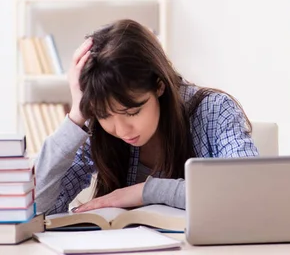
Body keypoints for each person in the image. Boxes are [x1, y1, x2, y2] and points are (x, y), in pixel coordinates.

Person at [35, 19, 259, 215]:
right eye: (105, 115)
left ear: (159, 86)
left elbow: (245, 190)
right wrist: (77, 114)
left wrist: (146, 191)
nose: (121, 130)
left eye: (132, 112)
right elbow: (37, 205)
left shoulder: (214, 110)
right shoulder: (95, 128)